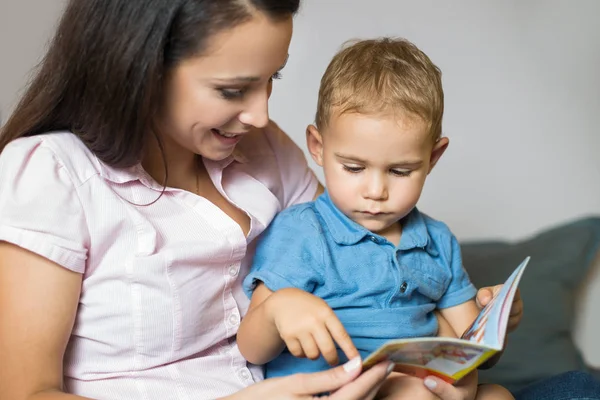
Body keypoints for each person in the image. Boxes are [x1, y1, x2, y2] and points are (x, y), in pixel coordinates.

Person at [0, 1, 531, 399]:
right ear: (140, 68)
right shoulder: (51, 174)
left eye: (271, 79)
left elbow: (362, 267)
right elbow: (23, 394)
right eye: (233, 90)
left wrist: (454, 350)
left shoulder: (261, 147)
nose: (259, 114)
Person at [238, 37, 513, 400]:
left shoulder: (437, 240)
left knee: (498, 395)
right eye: (353, 167)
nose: (376, 191)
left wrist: (495, 320)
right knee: (413, 393)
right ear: (318, 148)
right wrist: (277, 309)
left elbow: (474, 350)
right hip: (339, 391)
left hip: (422, 384)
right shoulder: (304, 232)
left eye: (399, 171)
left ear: (433, 157)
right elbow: (252, 350)